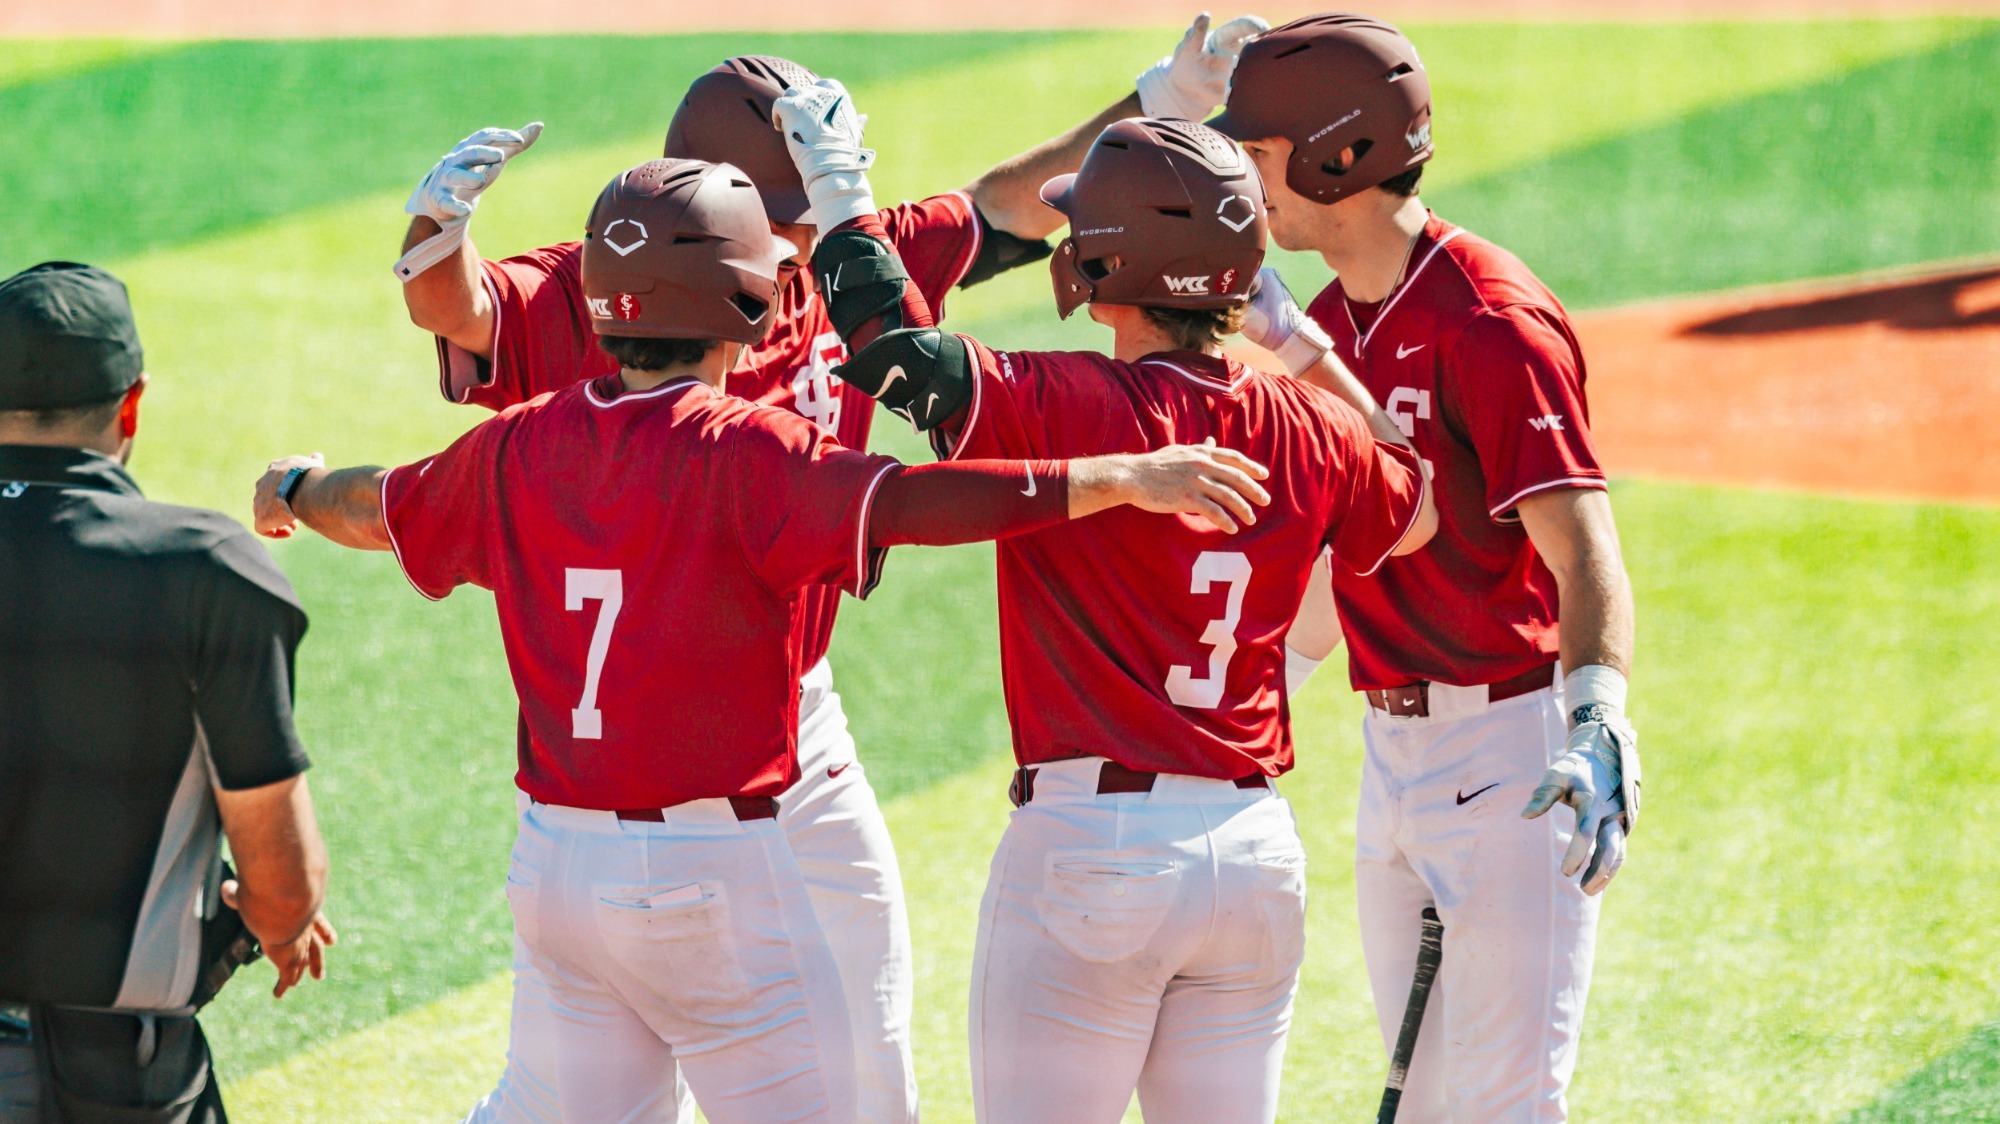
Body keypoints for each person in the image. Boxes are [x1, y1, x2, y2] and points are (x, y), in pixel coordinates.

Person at [254, 157, 1272, 1123]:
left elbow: (376, 503)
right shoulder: (746, 447)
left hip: (557, 870)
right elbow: (921, 501)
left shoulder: (518, 442)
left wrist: (294, 489)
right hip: (711, 881)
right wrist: (1119, 475)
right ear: (743, 301)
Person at [773, 81, 1436, 1123]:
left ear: (1100, 266)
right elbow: (1419, 506)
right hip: (1249, 857)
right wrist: (1299, 347)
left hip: (1092, 857)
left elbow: (895, 354)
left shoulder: (1073, 405)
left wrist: (841, 195)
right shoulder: (1306, 425)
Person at [1212, 14, 1642, 1120]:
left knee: (1501, 1104)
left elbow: (1582, 546)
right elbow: (1330, 571)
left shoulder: (1491, 323)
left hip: (1511, 760)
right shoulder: (1318, 326)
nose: (1241, 177)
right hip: (1392, 758)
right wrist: (1241, 723)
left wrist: (1597, 717)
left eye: (1256, 154)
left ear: (1335, 157)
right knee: (1427, 1101)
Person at [0, 262, 336, 1123]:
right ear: (131, 405)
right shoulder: (203, 571)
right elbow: (280, 880)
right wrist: (276, 921)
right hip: (116, 1078)